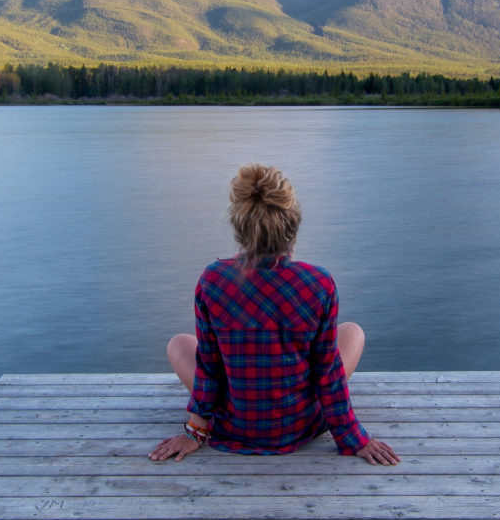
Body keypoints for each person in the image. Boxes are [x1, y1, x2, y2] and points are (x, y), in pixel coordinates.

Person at [149, 164, 399, 466]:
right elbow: (327, 372)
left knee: (179, 344)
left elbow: (209, 367)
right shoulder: (318, 283)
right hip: (298, 426)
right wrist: (353, 438)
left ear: (240, 227)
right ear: (292, 225)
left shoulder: (212, 280)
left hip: (233, 425)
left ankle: (218, 419)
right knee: (352, 333)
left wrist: (194, 432)